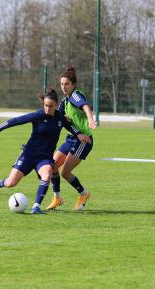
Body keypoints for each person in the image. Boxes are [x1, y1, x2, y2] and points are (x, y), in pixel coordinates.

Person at [0, 88, 91, 214]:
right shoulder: (38, 115)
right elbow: (14, 121)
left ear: (56, 105)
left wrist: (78, 134)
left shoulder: (60, 117)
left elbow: (70, 126)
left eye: (50, 106)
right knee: (11, 183)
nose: (47, 109)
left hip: (44, 158)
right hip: (29, 155)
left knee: (47, 173)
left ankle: (36, 207)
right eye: (45, 105)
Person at [46, 67, 97, 211]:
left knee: (65, 173)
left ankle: (84, 194)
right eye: (62, 84)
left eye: (66, 84)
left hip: (83, 140)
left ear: (73, 85)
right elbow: (57, 117)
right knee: (52, 167)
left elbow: (86, 107)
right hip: (71, 138)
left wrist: (91, 120)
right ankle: (57, 198)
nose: (63, 87)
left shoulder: (76, 96)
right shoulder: (65, 102)